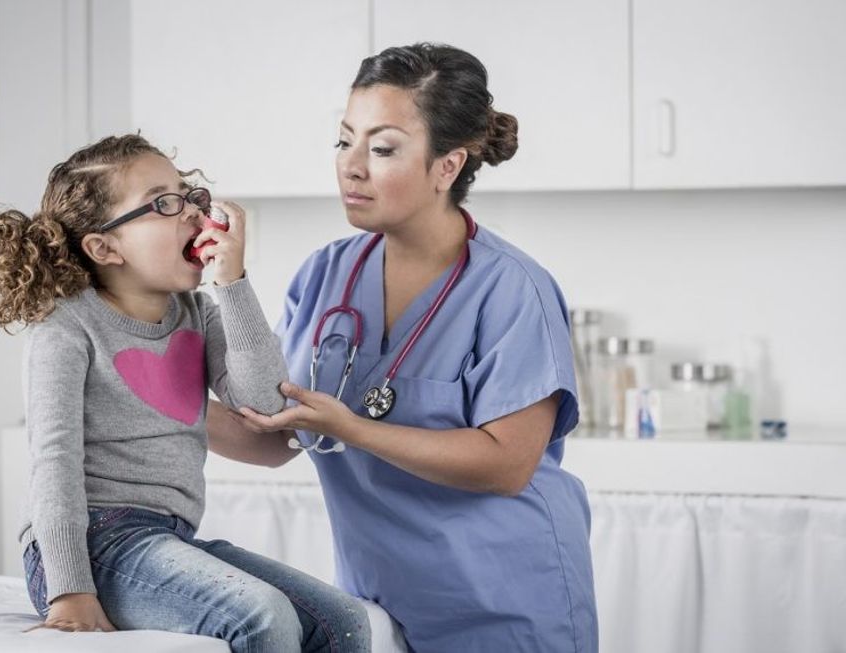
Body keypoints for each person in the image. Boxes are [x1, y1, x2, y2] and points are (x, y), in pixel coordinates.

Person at [207, 44, 598, 651]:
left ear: (448, 166)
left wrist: (356, 428)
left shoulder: (511, 289)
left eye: (382, 148)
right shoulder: (324, 275)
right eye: (344, 141)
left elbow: (507, 464)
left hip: (505, 604)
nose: (351, 166)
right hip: (379, 604)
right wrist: (145, 393)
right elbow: (276, 436)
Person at [0, 135, 371, 653]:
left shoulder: (198, 314)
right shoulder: (66, 328)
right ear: (104, 247)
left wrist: (232, 282)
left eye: (188, 195)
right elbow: (53, 464)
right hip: (91, 544)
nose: (190, 211)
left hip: (167, 537)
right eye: (163, 202)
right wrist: (69, 589)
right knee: (262, 615)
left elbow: (267, 405)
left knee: (342, 620)